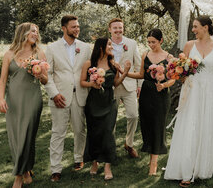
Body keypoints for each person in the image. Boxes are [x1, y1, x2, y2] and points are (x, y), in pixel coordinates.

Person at [164, 15, 213, 187]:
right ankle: (186, 168)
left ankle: (204, 164)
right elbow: (182, 70)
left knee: (206, 124)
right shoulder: (189, 46)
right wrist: (180, 76)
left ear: (206, 27)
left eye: (196, 26)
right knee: (190, 125)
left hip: (210, 90)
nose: (193, 30)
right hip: (191, 90)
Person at [0, 23, 47, 188]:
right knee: (16, 138)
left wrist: (40, 75)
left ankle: (18, 176)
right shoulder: (9, 54)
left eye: (37, 31)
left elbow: (46, 80)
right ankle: (26, 171)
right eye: (33, 30)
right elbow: (3, 79)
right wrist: (0, 99)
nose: (35, 34)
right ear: (23, 32)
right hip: (13, 101)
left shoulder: (39, 53)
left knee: (27, 134)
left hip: (33, 99)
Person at [45, 15, 91, 182]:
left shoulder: (85, 47)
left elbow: (90, 70)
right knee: (58, 132)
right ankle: (55, 169)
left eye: (78, 26)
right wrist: (54, 94)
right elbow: (47, 74)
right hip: (60, 97)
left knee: (80, 130)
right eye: (73, 27)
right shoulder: (52, 48)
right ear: (64, 28)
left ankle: (79, 159)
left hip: (80, 96)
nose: (77, 29)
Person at [126, 29, 175, 176]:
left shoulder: (169, 57)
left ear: (161, 40)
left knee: (158, 125)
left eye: (153, 41)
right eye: (148, 42)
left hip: (161, 95)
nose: (151, 44)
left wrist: (164, 85)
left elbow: (173, 78)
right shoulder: (145, 55)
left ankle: (154, 162)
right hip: (146, 93)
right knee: (147, 125)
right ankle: (151, 154)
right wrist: (124, 72)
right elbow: (141, 74)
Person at [80, 38, 130, 180]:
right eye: (109, 44)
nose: (112, 47)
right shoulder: (89, 64)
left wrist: (125, 72)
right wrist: (92, 84)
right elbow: (82, 82)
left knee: (108, 133)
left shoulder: (113, 64)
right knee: (94, 133)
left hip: (109, 102)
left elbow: (116, 82)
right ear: (100, 47)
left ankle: (107, 165)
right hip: (93, 103)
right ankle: (94, 162)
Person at [108, 18, 142, 158]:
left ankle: (129, 144)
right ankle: (111, 147)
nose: (118, 30)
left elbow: (138, 65)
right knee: (111, 118)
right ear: (110, 30)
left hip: (129, 85)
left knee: (133, 115)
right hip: (111, 86)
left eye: (120, 28)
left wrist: (139, 85)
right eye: (115, 28)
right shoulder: (105, 44)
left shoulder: (131, 43)